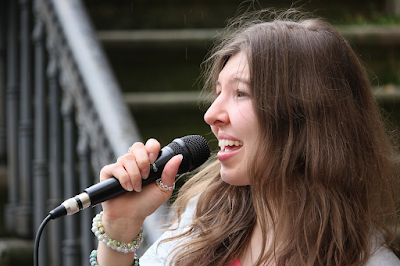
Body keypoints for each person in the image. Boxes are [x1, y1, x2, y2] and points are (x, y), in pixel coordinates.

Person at [90, 9, 400, 266]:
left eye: (241, 93)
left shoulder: (369, 261)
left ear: (305, 116)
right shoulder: (201, 222)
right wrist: (121, 228)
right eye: (218, 92)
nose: (211, 115)